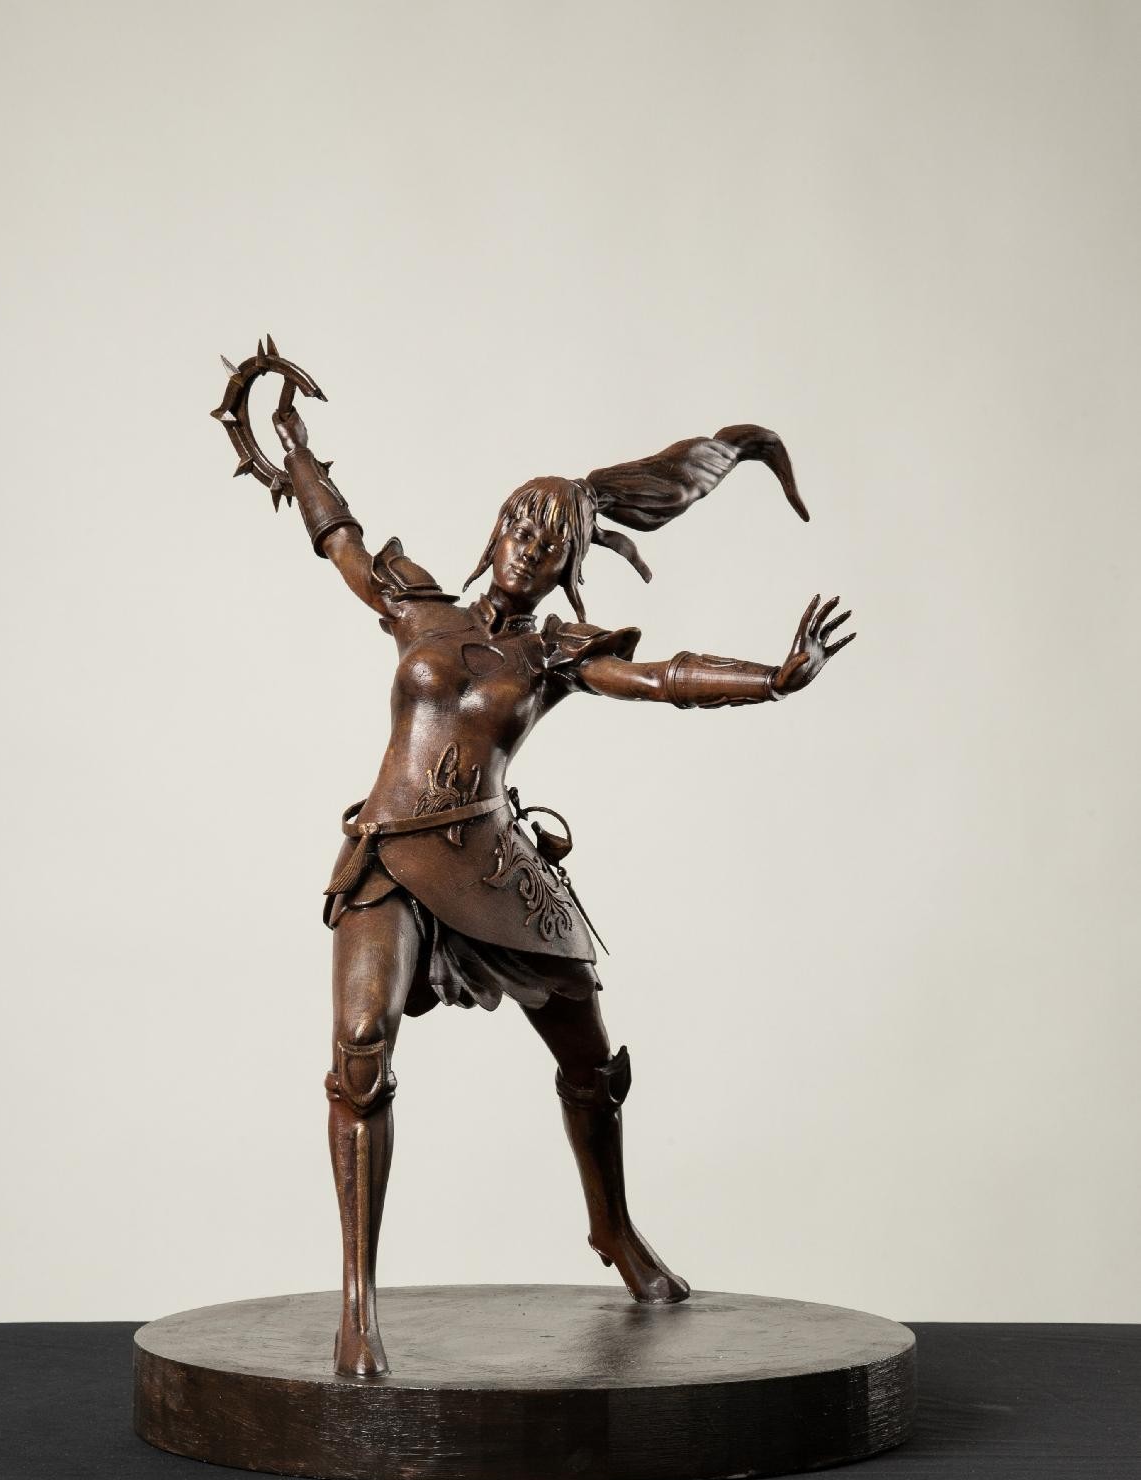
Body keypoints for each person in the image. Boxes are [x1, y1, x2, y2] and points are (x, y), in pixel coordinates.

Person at [271, 388, 854, 1376]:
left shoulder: (550, 654)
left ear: (567, 568)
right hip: (390, 854)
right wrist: (291, 449)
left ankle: (613, 1230)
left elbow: (663, 678)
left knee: (588, 1057)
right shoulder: (418, 608)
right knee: (359, 1048)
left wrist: (772, 676)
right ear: (494, 530)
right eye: (518, 525)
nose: (527, 547)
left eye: (549, 543)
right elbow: (343, 541)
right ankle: (358, 1307)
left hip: (494, 867)